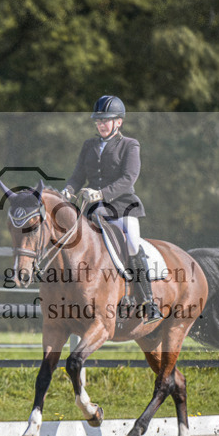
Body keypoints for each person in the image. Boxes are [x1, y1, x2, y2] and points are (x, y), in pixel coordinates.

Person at [61, 95, 154, 316]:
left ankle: (148, 300)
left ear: (118, 122)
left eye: (106, 120)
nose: (101, 124)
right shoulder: (89, 145)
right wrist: (68, 191)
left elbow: (128, 179)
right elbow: (77, 176)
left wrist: (101, 193)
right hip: (93, 209)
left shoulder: (130, 145)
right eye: (98, 121)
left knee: (131, 244)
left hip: (123, 206)